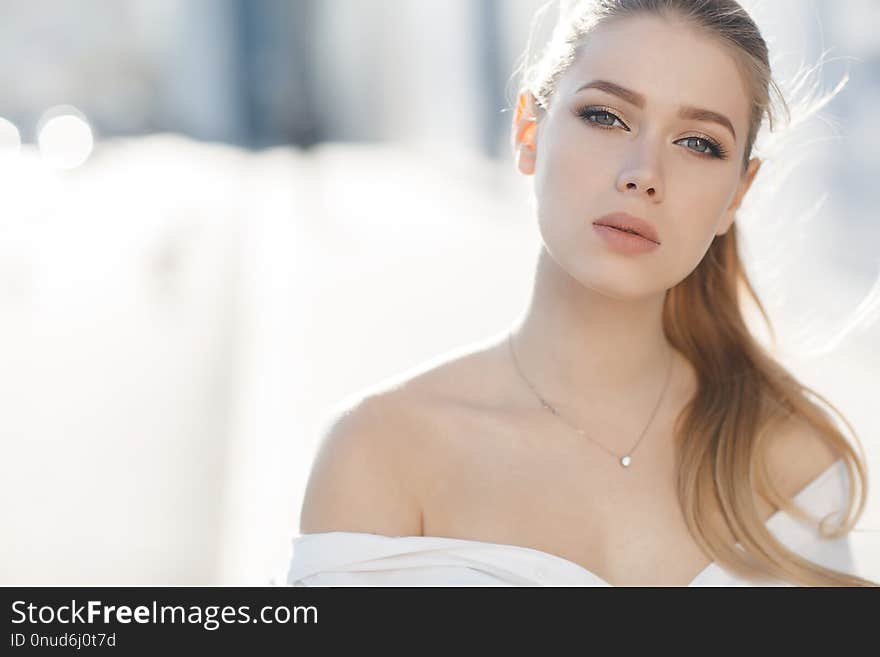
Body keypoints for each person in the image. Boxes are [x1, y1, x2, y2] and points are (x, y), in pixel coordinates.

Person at [288, 0, 877, 586]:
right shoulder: (383, 451)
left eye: (699, 143)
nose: (643, 173)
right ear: (528, 133)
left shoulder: (793, 465)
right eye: (605, 116)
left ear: (736, 196)